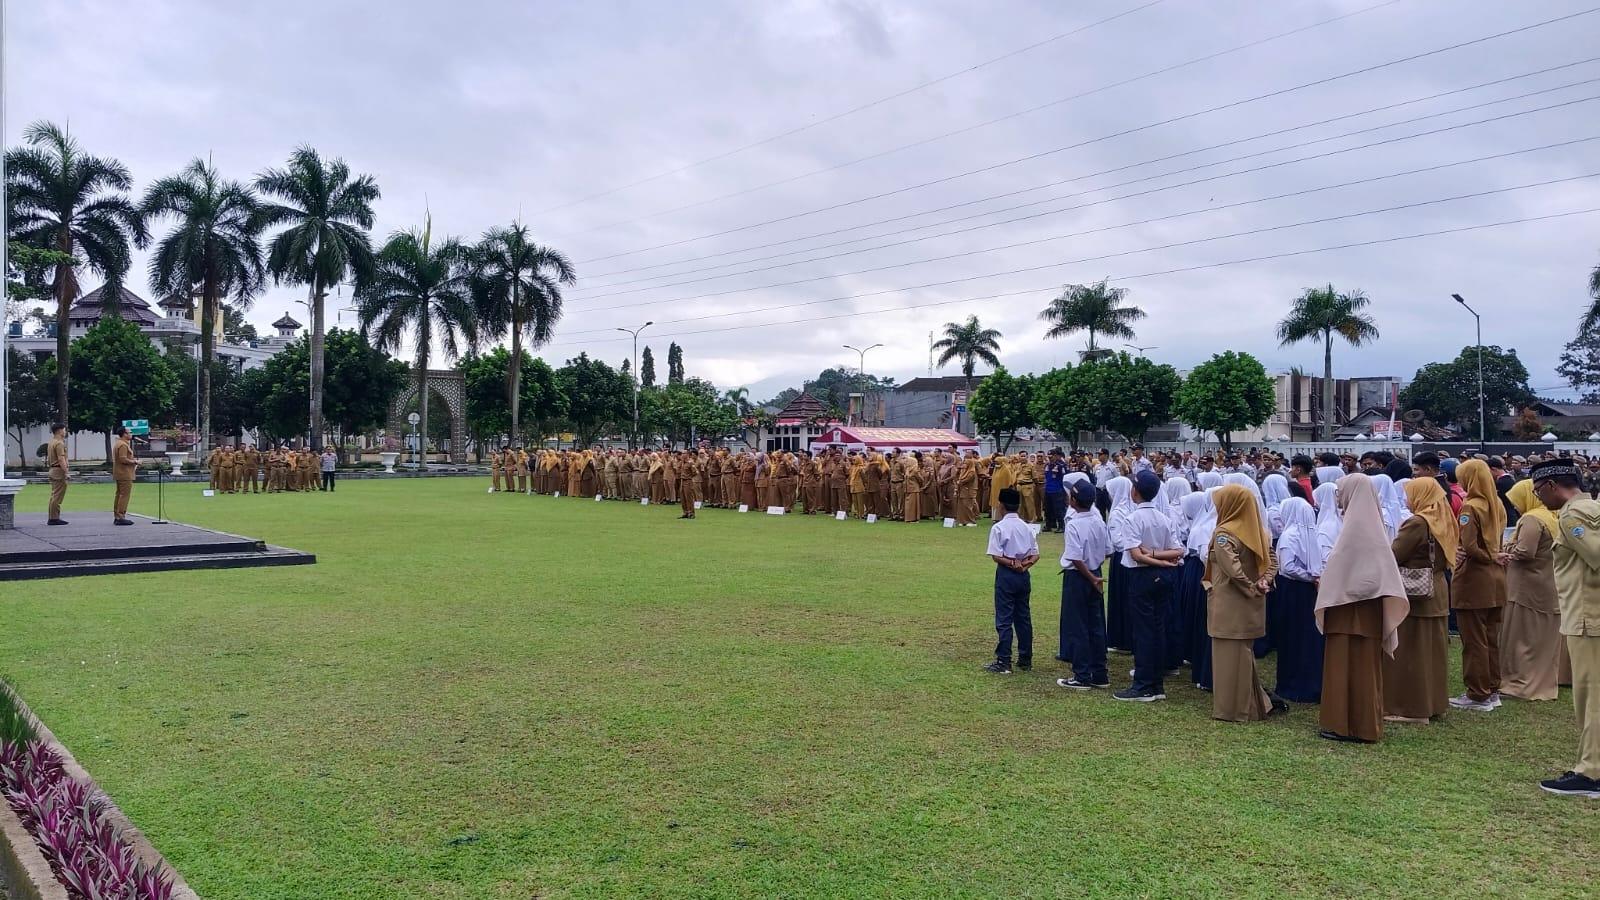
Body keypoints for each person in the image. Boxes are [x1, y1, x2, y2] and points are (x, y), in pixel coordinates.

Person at [1316, 474, 1408, 743]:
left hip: (1346, 611)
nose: (1338, 499)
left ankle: (1345, 725)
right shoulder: (1374, 530)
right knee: (1366, 670)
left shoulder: (1354, 533)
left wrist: (1333, 586)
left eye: (1341, 492)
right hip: (1367, 614)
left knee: (1343, 668)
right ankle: (1365, 725)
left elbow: (1345, 575)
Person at [1538, 459, 1600, 797]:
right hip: (1587, 613)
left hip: (1589, 617)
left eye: (1539, 491)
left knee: (1592, 697)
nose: (1539, 499)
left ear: (1552, 486)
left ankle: (1591, 773)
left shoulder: (1573, 515)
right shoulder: (1592, 507)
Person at [1207, 484, 1282, 721]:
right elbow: (1272, 560)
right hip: (1251, 603)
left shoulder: (1224, 534)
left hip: (1229, 603)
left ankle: (1232, 709)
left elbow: (1233, 570)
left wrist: (1251, 586)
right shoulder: (1259, 532)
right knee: (1243, 655)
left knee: (1229, 657)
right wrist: (1263, 582)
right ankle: (1253, 705)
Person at [1383, 478, 1453, 723]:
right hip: (1438, 589)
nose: (1407, 499)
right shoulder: (1444, 517)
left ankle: (1412, 709)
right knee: (1433, 654)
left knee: (1412, 654)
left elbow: (1394, 555)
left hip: (1417, 593)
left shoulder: (1417, 523)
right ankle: (1434, 704)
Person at [1115, 470, 1185, 702]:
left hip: (1142, 576)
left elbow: (1136, 555)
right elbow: (1176, 551)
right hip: (1164, 576)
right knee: (1158, 628)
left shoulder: (1133, 519)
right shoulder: (1164, 519)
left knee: (1144, 630)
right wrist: (1163, 561)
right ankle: (1156, 684)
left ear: (1135, 491)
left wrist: (1152, 556)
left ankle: (1144, 685)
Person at [1452, 458, 1508, 712]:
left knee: (1474, 639)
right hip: (1496, 579)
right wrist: (1495, 556)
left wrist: (1488, 556)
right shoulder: (1497, 504)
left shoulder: (1470, 507)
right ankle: (1492, 688)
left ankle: (1477, 693)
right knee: (1490, 637)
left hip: (1474, 579)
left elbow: (1470, 547)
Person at [1500, 477, 1562, 701]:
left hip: (1526, 587)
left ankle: (1520, 684)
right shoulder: (1553, 516)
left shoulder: (1532, 519)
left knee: (1522, 636)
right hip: (1548, 582)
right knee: (1542, 639)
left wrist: (1506, 549)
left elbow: (1525, 551)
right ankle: (1542, 681)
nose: (1515, 506)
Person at [1056, 479, 1112, 690]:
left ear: (1073, 500)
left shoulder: (1074, 524)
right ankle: (1100, 673)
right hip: (1095, 572)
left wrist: (1089, 576)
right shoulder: (1099, 521)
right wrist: (1095, 571)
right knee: (1096, 624)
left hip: (1079, 576)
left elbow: (1075, 557)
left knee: (1077, 625)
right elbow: (1107, 550)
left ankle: (1081, 675)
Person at [1274, 496, 1325, 704]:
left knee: (1292, 635)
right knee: (1307, 636)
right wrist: (1313, 578)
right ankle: (1310, 683)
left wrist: (1307, 577)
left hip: (1292, 590)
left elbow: (1287, 567)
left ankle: (1292, 684)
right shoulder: (1310, 534)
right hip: (1308, 591)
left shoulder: (1289, 535)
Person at [985, 487, 1039, 674]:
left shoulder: (999, 527)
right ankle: (1025, 658)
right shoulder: (1026, 526)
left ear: (1001, 506)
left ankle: (1004, 660)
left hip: (1007, 574)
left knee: (1004, 617)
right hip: (1023, 574)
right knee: (1023, 617)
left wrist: (1012, 563)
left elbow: (996, 555)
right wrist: (1024, 565)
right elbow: (1035, 554)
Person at [45, 423, 70, 525]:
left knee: (54, 495)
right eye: (64, 430)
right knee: (57, 496)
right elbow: (61, 459)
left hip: (53, 470)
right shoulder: (59, 443)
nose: (65, 432)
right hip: (58, 471)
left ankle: (53, 517)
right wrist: (66, 472)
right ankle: (54, 518)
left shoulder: (51, 442)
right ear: (60, 431)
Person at [111, 425, 137, 525]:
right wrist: (135, 461)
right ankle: (120, 516)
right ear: (124, 434)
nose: (131, 434)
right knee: (124, 495)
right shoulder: (122, 445)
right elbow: (123, 459)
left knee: (119, 495)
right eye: (130, 432)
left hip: (121, 473)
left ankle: (117, 516)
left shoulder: (119, 443)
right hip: (124, 473)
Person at [1042, 449, 1068, 533]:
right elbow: (1046, 477)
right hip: (1048, 490)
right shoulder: (1047, 465)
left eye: (1051, 457)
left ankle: (1061, 526)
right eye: (1049, 457)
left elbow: (1064, 478)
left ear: (1056, 456)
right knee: (1048, 509)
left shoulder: (1060, 466)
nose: (1050, 458)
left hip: (1057, 490)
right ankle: (1049, 525)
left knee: (1059, 509)